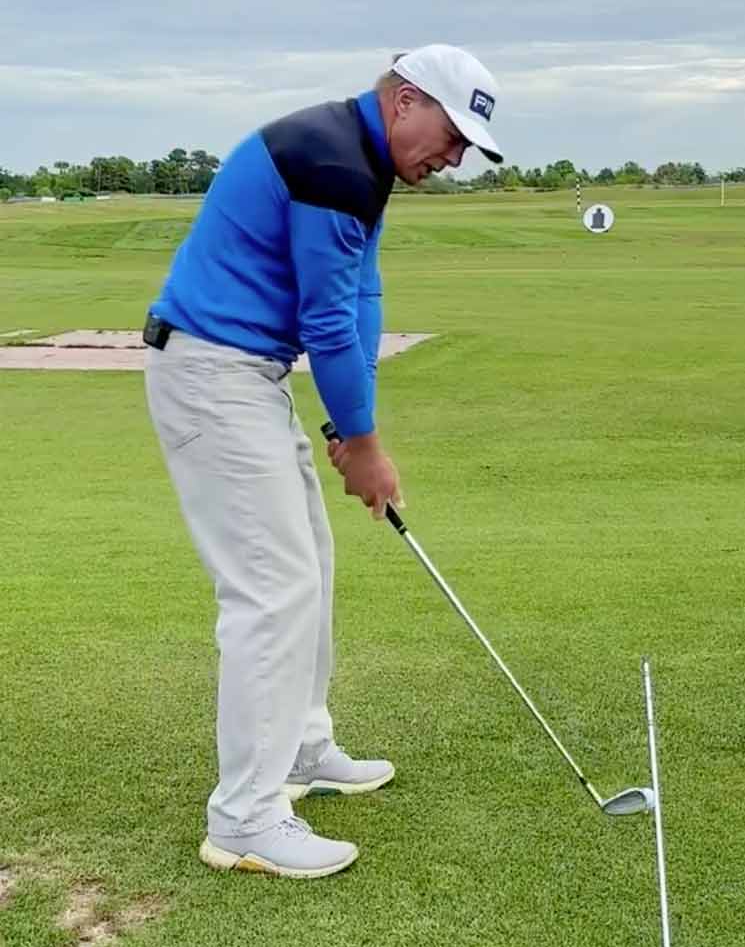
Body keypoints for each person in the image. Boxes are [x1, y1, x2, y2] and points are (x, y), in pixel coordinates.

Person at [142, 44, 504, 878]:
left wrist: (355, 422)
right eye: (451, 138)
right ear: (407, 101)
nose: (451, 161)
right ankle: (244, 819)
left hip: (246, 374)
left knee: (311, 565)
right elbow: (327, 321)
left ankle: (301, 751)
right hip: (211, 372)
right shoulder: (332, 163)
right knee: (274, 589)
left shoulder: (359, 162)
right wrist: (366, 446)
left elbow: (361, 293)